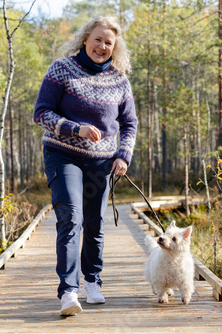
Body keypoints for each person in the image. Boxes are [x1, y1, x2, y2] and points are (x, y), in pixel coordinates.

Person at [33, 16, 138, 316]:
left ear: (114, 48)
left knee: (94, 223)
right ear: (85, 39)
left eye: (108, 43)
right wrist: (74, 128)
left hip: (102, 161)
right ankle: (68, 290)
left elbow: (129, 124)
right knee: (71, 218)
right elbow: (41, 113)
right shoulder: (61, 69)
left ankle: (92, 280)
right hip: (63, 154)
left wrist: (123, 155)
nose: (102, 46)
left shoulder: (119, 80)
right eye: (98, 39)